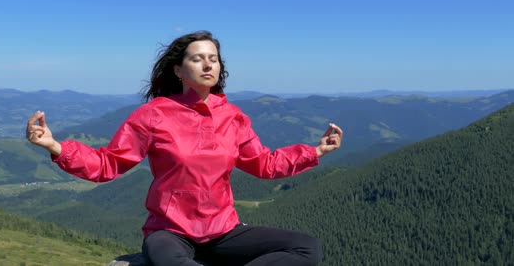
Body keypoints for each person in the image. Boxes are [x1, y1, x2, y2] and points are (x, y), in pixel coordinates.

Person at [26, 30, 343, 266]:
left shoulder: (232, 117)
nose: (208, 64)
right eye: (197, 58)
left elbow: (264, 163)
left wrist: (315, 152)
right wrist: (55, 146)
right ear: (178, 70)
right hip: (170, 232)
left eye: (213, 58)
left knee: (308, 248)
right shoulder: (154, 114)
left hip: (223, 231)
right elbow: (108, 164)